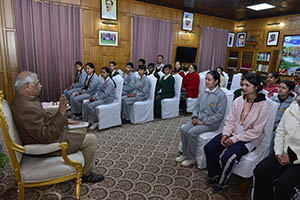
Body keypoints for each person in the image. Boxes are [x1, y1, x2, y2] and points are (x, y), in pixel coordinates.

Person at [10, 71, 104, 183]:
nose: (40, 86)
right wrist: (61, 113)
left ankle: (89, 160)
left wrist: (65, 120)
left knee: (81, 128)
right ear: (27, 87)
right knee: (91, 139)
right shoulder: (25, 108)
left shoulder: (25, 99)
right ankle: (86, 174)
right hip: (44, 144)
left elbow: (44, 117)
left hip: (44, 135)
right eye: (37, 83)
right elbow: (46, 136)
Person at [204, 72, 269, 191]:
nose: (243, 88)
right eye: (242, 84)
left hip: (250, 139)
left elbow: (256, 132)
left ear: (256, 87)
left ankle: (222, 182)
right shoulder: (239, 100)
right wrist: (225, 134)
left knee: (228, 157)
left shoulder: (264, 105)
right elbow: (230, 120)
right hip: (233, 133)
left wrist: (234, 139)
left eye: (247, 85)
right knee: (209, 147)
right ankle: (215, 173)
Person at [253, 88, 300, 200]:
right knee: (261, 170)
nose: (298, 99)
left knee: (284, 184)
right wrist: (278, 152)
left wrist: (293, 158)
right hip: (283, 152)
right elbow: (281, 131)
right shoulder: (292, 108)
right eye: (298, 94)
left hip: (298, 159)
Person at [176, 70, 227, 167]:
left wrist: (202, 122)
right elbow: (196, 106)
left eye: (209, 80)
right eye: (206, 79)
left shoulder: (221, 96)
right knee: (184, 129)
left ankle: (191, 158)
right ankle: (185, 154)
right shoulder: (204, 92)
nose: (206, 82)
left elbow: (219, 116)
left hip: (211, 124)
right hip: (198, 119)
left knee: (191, 132)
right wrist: (194, 116)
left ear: (216, 81)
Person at [269, 80, 295, 152]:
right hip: (269, 127)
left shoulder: (293, 103)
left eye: (283, 88)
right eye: (279, 87)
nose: (280, 89)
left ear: (290, 91)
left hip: (281, 130)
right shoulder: (272, 99)